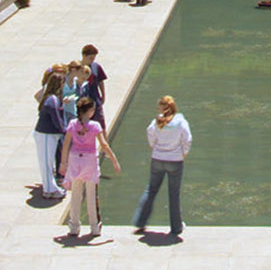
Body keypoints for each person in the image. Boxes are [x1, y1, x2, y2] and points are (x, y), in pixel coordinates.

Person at [59, 96, 120, 237]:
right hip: (90, 161)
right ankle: (94, 227)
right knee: (91, 195)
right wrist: (114, 159)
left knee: (75, 194)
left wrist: (63, 162)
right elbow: (104, 144)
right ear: (90, 110)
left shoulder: (73, 124)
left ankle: (74, 226)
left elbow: (66, 144)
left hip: (75, 160)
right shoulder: (94, 126)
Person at [133, 95, 192, 238]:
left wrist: (155, 147)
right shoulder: (180, 122)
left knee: (151, 190)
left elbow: (150, 134)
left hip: (158, 158)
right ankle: (176, 226)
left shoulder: (157, 122)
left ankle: (141, 221)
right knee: (174, 194)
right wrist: (184, 153)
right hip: (175, 160)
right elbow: (187, 139)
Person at [33, 71, 67, 198]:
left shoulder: (53, 98)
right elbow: (57, 120)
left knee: (48, 163)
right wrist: (65, 131)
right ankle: (49, 190)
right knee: (46, 163)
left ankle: (51, 187)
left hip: (49, 135)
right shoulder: (52, 100)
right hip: (46, 134)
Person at [81, 44, 107, 121]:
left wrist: (103, 95)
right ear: (83, 56)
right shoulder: (78, 68)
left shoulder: (96, 66)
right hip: (84, 100)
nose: (92, 60)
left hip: (95, 98)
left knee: (100, 122)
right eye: (90, 58)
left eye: (94, 58)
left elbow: (100, 81)